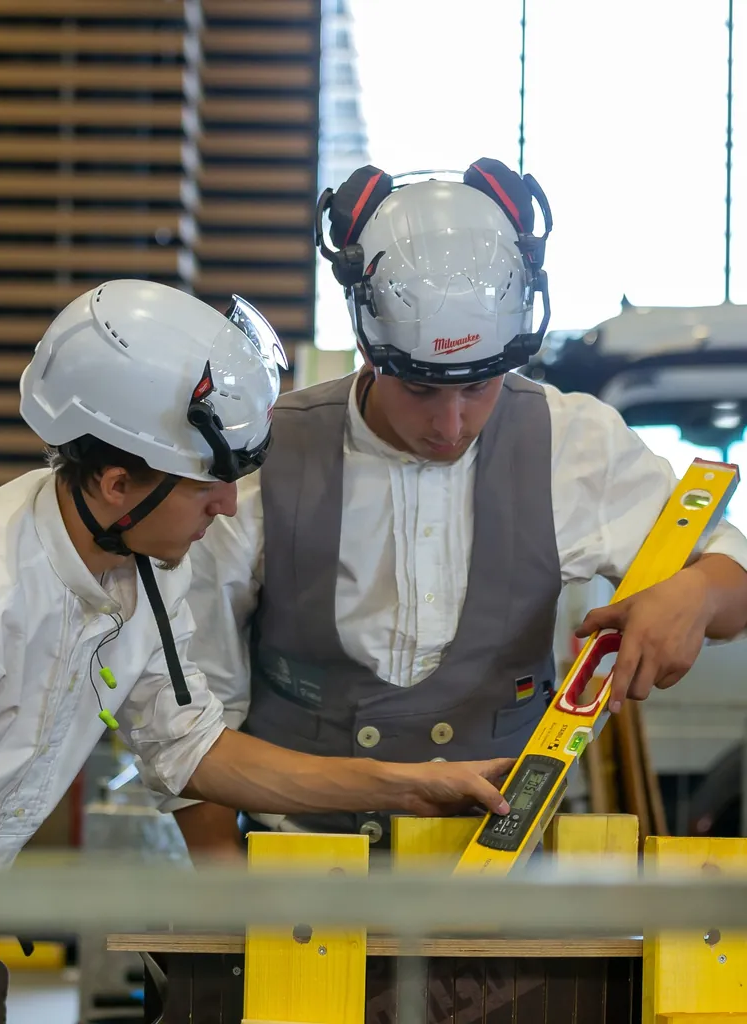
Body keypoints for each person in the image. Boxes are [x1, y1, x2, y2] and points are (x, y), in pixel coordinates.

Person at [172, 158, 747, 858]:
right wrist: (223, 886)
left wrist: (696, 593)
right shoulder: (266, 459)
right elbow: (194, 704)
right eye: (419, 389)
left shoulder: (572, 444)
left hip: (501, 877)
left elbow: (732, 574)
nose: (451, 424)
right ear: (366, 343)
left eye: (480, 386)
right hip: (299, 871)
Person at [0, 278, 515, 1021]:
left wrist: (408, 787)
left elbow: (196, 750)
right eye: (209, 485)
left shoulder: (142, 576)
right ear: (114, 484)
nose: (230, 505)